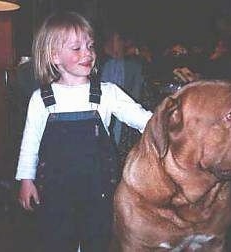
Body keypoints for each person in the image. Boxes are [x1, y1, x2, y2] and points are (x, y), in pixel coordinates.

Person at [15, 12, 152, 252]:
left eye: (90, 46)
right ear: (54, 57)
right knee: (57, 238)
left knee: (98, 238)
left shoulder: (107, 93)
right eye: (77, 48)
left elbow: (144, 120)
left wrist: (171, 123)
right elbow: (30, 143)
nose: (87, 53)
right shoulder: (41, 99)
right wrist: (26, 180)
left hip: (99, 190)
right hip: (56, 190)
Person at [100, 30, 147, 162]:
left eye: (120, 41)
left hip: (128, 118)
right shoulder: (107, 66)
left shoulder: (132, 66)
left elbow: (137, 97)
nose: (118, 45)